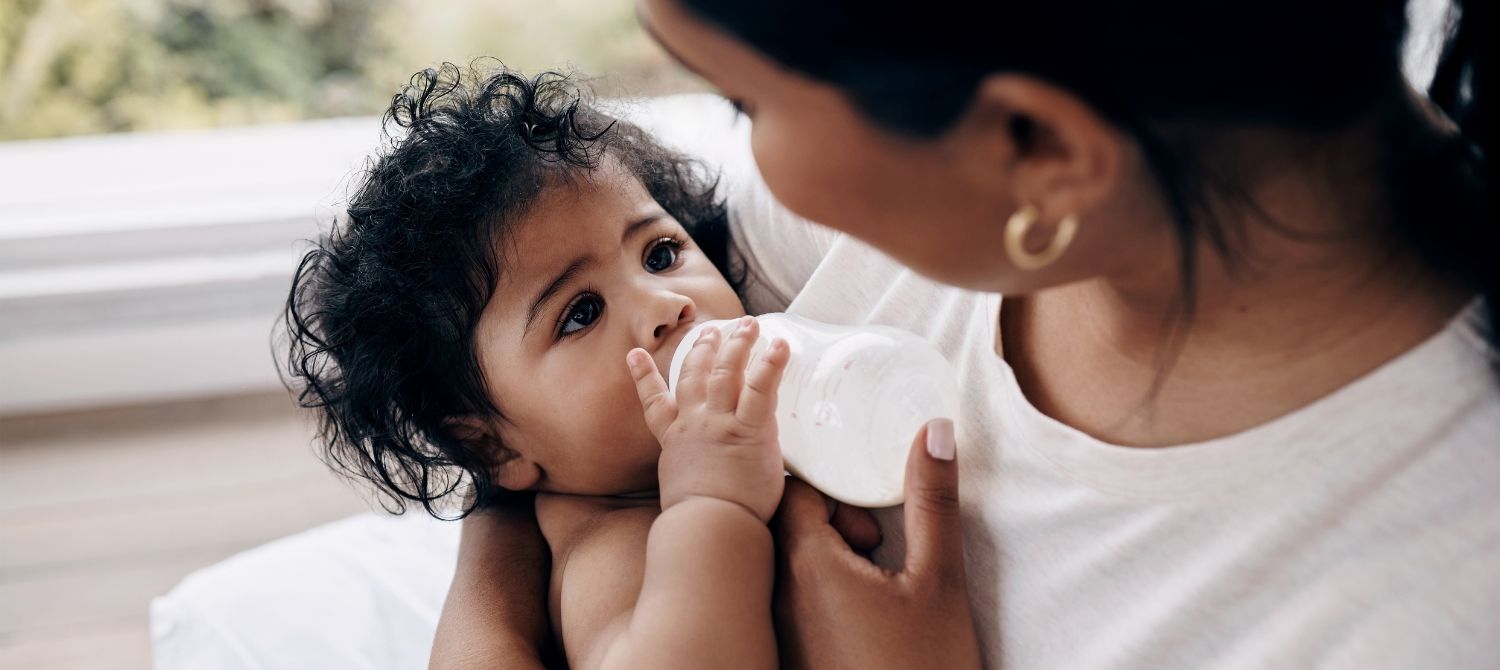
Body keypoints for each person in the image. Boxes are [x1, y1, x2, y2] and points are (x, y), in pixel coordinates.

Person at [432, 0, 1499, 667]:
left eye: (745, 103)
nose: (673, 283)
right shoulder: (909, 182)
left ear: (1039, 148)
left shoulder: (1427, 612)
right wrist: (529, 535)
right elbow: (540, 428)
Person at [285, 64, 818, 669]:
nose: (665, 306)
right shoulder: (611, 544)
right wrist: (714, 506)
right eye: (581, 313)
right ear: (493, 450)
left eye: (661, 253)